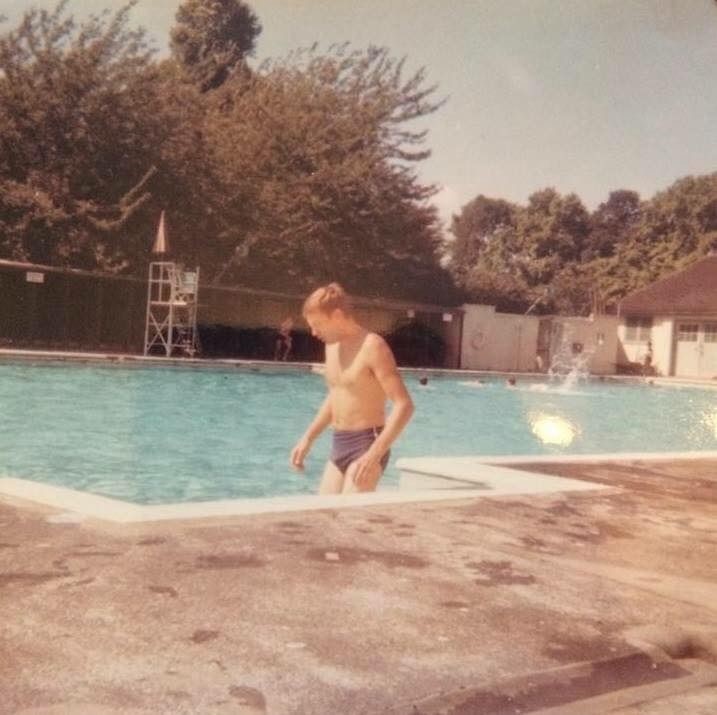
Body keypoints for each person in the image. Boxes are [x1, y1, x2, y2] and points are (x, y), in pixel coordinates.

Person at [290, 283, 414, 494]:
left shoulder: (372, 346)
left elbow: (404, 405)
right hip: (339, 442)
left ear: (337, 315)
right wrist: (308, 438)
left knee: (350, 520)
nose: (313, 332)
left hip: (367, 442)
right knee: (324, 516)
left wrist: (374, 455)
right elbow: (336, 396)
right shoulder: (331, 347)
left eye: (317, 325)